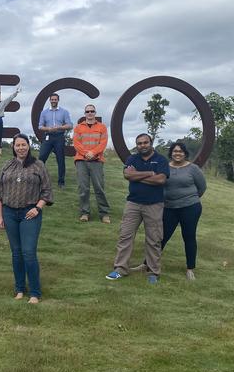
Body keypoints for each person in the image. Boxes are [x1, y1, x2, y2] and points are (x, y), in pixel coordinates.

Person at [131, 142, 206, 281]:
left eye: (181, 151)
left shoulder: (193, 168)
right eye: (175, 151)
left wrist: (189, 198)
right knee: (160, 237)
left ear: (185, 153)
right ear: (171, 153)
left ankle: (190, 269)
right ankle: (147, 264)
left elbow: (202, 187)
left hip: (190, 207)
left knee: (189, 237)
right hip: (168, 207)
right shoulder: (164, 166)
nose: (178, 153)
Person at [0, 133, 53, 304]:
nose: (21, 148)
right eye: (17, 145)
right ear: (13, 147)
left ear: (29, 146)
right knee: (16, 253)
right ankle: (19, 289)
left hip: (30, 213)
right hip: (9, 213)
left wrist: (37, 208)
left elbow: (47, 190)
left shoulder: (38, 165)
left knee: (28, 252)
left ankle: (35, 292)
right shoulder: (7, 166)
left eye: (23, 144)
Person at [106, 134, 169, 284]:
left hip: (154, 204)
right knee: (125, 236)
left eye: (145, 142)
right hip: (133, 204)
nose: (142, 145)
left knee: (154, 239)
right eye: (139, 143)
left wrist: (137, 175)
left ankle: (153, 272)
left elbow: (161, 180)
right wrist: (149, 173)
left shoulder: (161, 160)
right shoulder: (132, 159)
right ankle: (120, 269)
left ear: (151, 143)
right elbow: (127, 175)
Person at [73, 104, 111, 223]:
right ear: (85, 113)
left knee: (99, 188)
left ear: (95, 113)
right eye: (87, 111)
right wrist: (86, 153)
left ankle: (104, 214)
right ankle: (85, 213)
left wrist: (93, 153)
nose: (90, 113)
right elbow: (76, 143)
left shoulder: (102, 127)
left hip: (96, 160)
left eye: (92, 111)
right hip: (81, 161)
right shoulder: (78, 127)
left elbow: (103, 143)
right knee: (83, 188)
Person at [38, 93, 72, 188]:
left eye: (55, 99)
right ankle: (39, 179)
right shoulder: (44, 112)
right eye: (52, 99)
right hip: (48, 136)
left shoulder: (64, 112)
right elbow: (40, 126)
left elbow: (70, 125)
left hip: (59, 137)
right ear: (50, 100)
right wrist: (48, 129)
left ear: (58, 100)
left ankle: (61, 182)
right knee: (41, 157)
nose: (53, 101)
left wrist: (60, 127)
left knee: (60, 159)